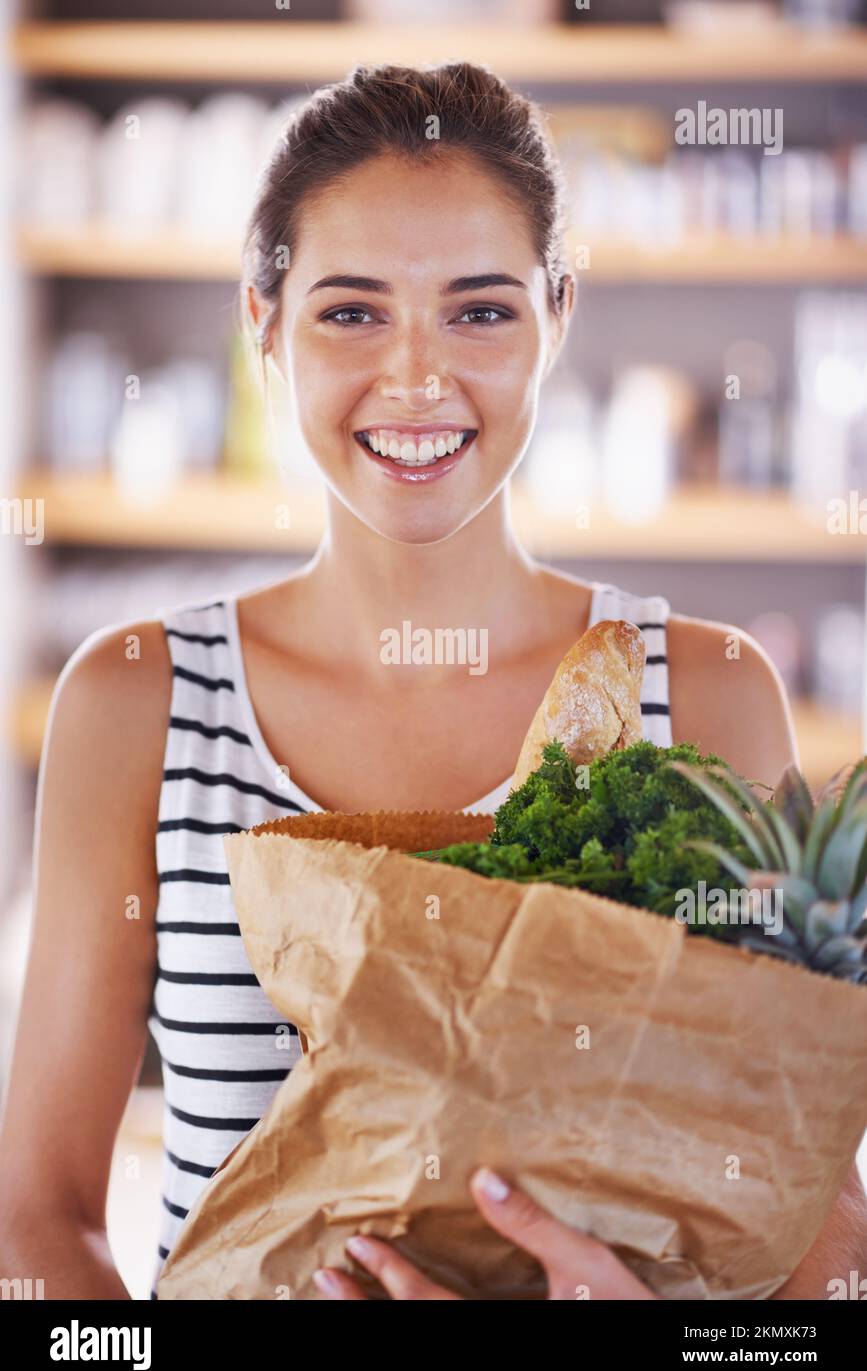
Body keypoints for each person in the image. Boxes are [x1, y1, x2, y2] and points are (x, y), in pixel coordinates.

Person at [1, 62, 863, 1302]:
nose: (416, 380)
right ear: (263, 321)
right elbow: (36, 1226)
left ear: (557, 315)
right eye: (352, 312)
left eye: (480, 311)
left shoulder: (709, 693)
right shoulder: (137, 702)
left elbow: (821, 1233)